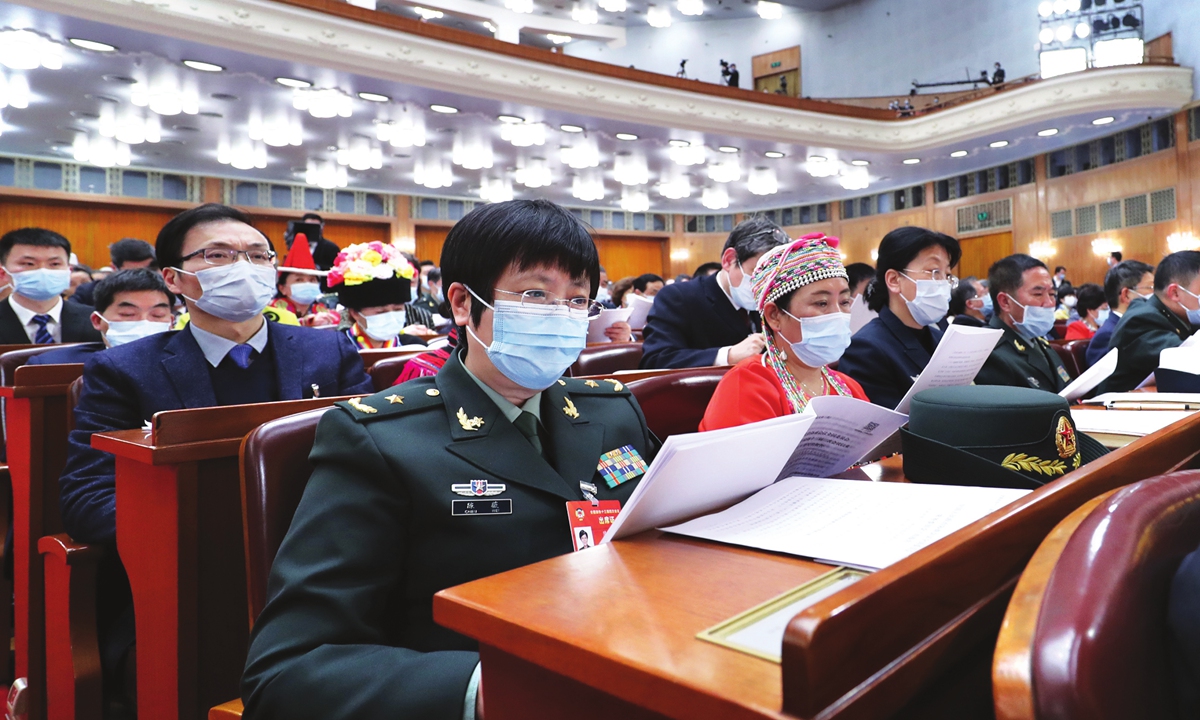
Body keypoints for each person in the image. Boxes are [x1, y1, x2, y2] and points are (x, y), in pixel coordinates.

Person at [241, 199, 659, 718]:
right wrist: (492, 688)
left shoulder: (613, 412)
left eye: (578, 301)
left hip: (631, 665)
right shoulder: (381, 441)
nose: (562, 317)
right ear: (462, 304)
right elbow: (288, 669)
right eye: (535, 294)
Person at [58, 203, 374, 711]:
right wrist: (196, 538)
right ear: (175, 279)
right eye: (219, 255)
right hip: (192, 582)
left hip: (324, 568)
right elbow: (86, 495)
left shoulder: (327, 351)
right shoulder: (124, 369)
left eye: (257, 255)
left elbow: (372, 463)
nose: (243, 267)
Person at [700, 234, 867, 431]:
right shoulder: (748, 385)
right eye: (821, 303)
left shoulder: (848, 387)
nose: (838, 315)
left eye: (844, 302)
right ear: (774, 316)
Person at [640, 217, 789, 369]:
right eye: (758, 273)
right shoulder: (679, 297)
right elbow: (656, 360)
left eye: (773, 278)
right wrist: (728, 355)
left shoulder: (773, 302)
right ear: (729, 260)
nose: (765, 286)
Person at [838, 227, 961, 410]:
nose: (943, 283)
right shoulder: (866, 349)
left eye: (947, 275)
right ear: (894, 280)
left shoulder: (941, 339)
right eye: (934, 272)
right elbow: (885, 428)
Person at [1101, 250, 1200, 393]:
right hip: (1121, 411)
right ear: (1175, 293)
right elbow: (1187, 361)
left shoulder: (1181, 316)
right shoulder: (1141, 319)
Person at [27, 269, 173, 365]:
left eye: (157, 315)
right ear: (97, 321)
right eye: (128, 314)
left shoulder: (191, 362)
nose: (144, 322)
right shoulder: (52, 366)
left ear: (171, 322)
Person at [974, 254, 1071, 393]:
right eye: (1038, 294)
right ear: (1005, 302)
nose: (1050, 303)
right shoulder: (989, 353)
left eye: (1051, 294)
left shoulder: (1039, 342)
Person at [0, 228, 103, 345]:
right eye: (28, 263)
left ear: (68, 270)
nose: (43, 271)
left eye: (54, 264)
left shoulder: (96, 320)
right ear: (3, 272)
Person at [329, 242, 429, 350]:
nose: (391, 317)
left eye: (397, 309)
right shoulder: (335, 349)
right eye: (381, 312)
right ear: (355, 313)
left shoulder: (415, 347)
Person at [1086, 260, 1154, 368]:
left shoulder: (1144, 327)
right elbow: (1107, 382)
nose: (1155, 295)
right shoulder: (1108, 335)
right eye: (1150, 288)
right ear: (1126, 295)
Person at [270, 230, 341, 327]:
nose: (307, 284)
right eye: (299, 280)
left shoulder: (325, 312)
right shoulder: (271, 313)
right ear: (282, 288)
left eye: (312, 280)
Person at [70, 238, 157, 306]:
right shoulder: (89, 292)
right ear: (114, 268)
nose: (141, 278)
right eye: (132, 272)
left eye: (147, 271)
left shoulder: (163, 291)